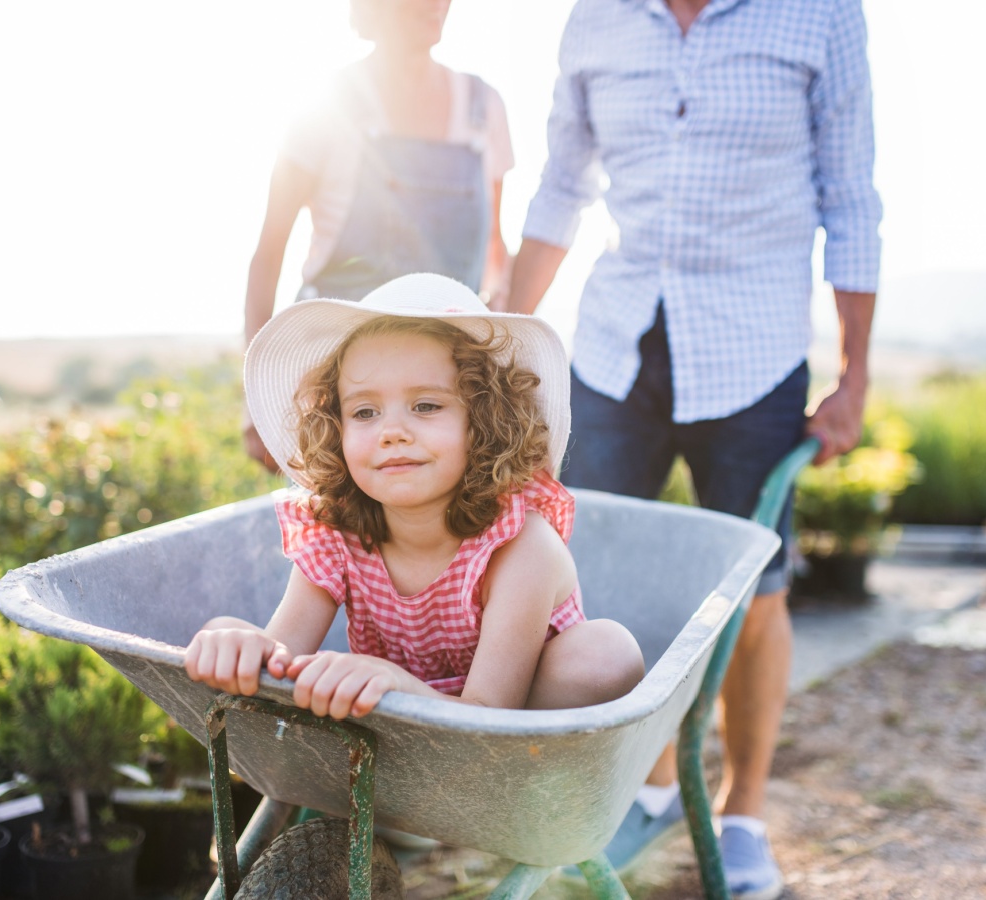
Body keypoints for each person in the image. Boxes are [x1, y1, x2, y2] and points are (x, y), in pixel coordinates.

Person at [503, 0, 883, 896]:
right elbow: (564, 185)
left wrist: (854, 375)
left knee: (757, 593)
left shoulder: (820, 14)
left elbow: (851, 197)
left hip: (753, 352)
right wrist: (503, 337)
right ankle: (654, 787)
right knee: (579, 580)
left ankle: (743, 813)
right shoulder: (597, 18)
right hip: (614, 344)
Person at [188, 273, 644, 719]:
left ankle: (618, 768)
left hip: (519, 730)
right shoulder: (335, 532)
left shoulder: (521, 546)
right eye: (364, 411)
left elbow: (489, 714)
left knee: (605, 653)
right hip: (407, 741)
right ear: (335, 428)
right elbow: (279, 661)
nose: (392, 432)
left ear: (483, 420)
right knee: (233, 637)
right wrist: (234, 641)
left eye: (426, 405)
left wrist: (398, 685)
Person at [242, 0, 517, 470]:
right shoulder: (325, 106)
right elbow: (269, 254)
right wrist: (256, 404)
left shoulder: (482, 106)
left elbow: (495, 245)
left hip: (446, 392)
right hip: (341, 393)